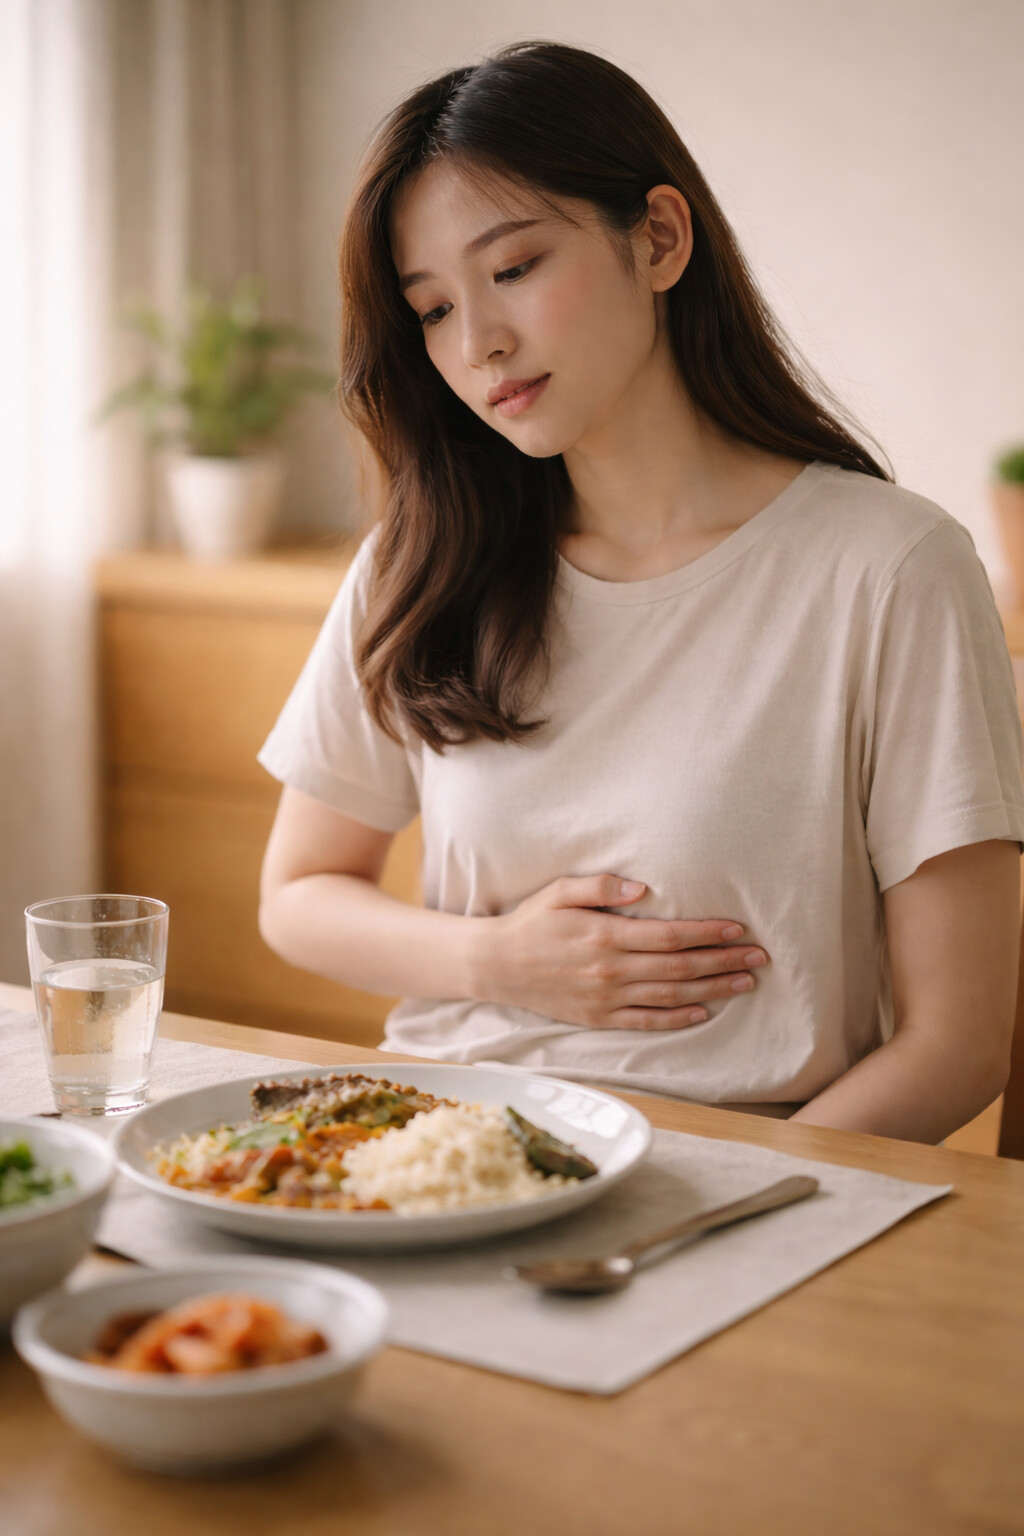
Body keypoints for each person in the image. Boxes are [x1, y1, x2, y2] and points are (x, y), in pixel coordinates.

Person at [257, 40, 1024, 1144]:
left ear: (658, 238)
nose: (479, 344)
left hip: (750, 1177)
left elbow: (958, 1045)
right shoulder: (421, 561)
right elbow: (298, 896)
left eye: (514, 268)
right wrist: (499, 961)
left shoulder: (890, 570)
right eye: (430, 310)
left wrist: (728, 1200)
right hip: (436, 1157)